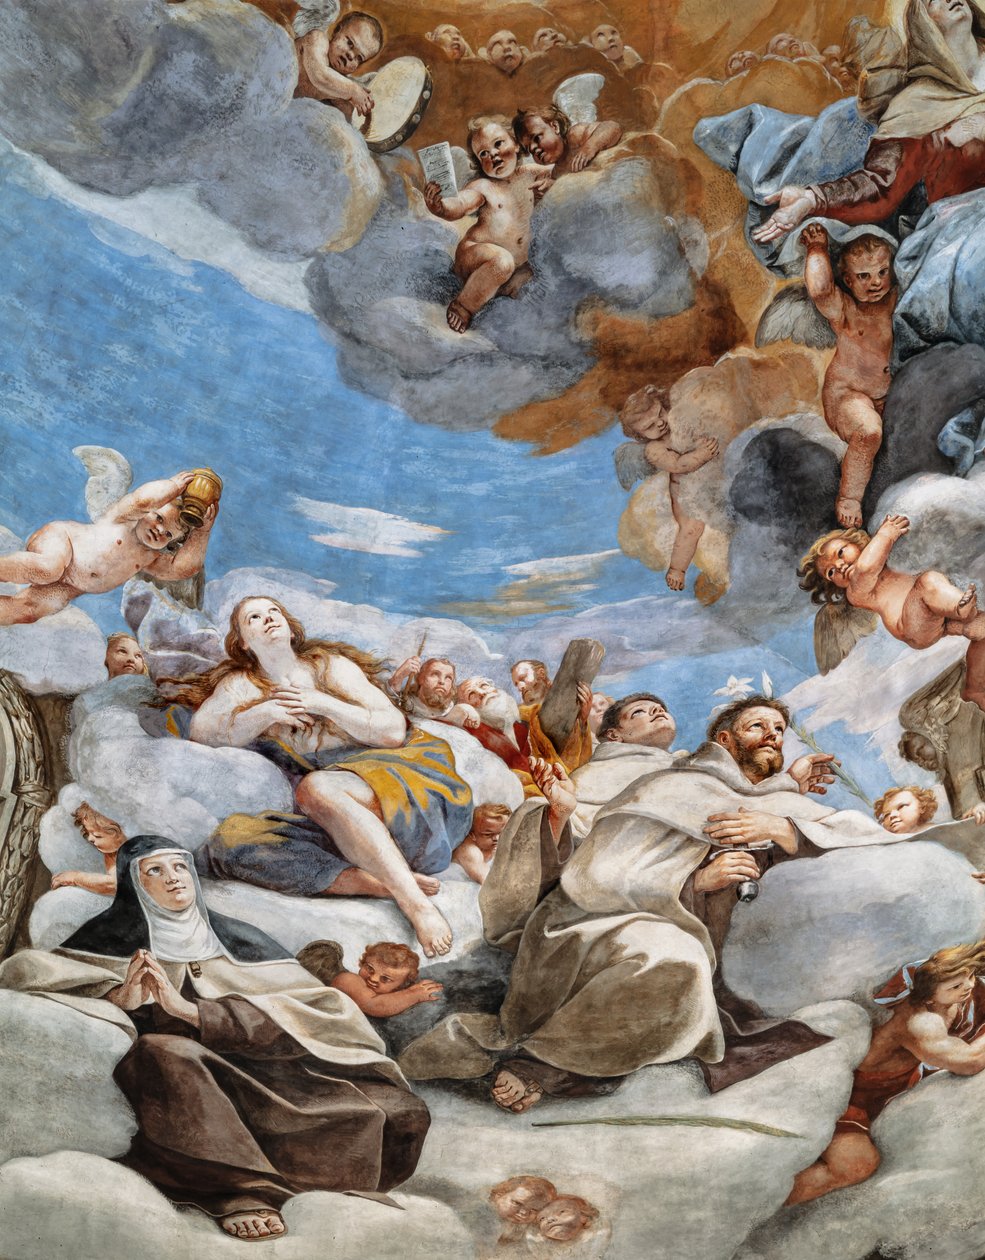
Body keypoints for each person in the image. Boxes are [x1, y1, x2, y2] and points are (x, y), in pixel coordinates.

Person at [399, 696, 904, 1112]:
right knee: (672, 960)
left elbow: (863, 838)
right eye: (757, 726)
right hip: (596, 920)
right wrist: (695, 881)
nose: (772, 735)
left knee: (683, 960)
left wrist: (782, 824)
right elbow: (599, 873)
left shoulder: (745, 795)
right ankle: (542, 1065)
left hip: (666, 919)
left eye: (778, 729)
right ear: (725, 740)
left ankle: (567, 1063)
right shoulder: (672, 783)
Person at [0, 835, 430, 1240]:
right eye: (155, 871)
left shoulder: (242, 940)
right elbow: (29, 975)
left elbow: (316, 1011)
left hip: (269, 1069)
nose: (173, 878)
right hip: (190, 1076)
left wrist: (193, 1011)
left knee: (401, 1110)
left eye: (180, 867)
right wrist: (119, 997)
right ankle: (238, 1190)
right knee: (163, 1052)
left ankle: (310, 1186)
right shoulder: (104, 941)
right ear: (133, 884)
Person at [162, 596, 472, 957]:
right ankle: (379, 882)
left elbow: (392, 731)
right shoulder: (241, 685)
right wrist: (264, 712)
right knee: (229, 843)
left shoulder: (329, 667)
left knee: (317, 788)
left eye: (274, 612)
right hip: (335, 807)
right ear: (243, 642)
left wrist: (322, 703)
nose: (268, 619)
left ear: (291, 627)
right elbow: (202, 734)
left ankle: (415, 903)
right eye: (254, 617)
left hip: (399, 772)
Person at [752, 0, 985, 247]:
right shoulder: (916, 105)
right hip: (966, 228)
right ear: (924, 26)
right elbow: (879, 185)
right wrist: (812, 198)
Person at [786, 939, 985, 1203]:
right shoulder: (919, 1022)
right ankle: (764, 1204)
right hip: (849, 1101)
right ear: (929, 997)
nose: (969, 986)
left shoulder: (950, 989)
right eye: (956, 986)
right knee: (857, 1165)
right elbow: (970, 1061)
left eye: (969, 977)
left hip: (881, 1098)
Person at [799, 515, 985, 701]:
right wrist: (886, 534)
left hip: (936, 616)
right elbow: (865, 568)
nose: (839, 566)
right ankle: (960, 608)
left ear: (858, 543)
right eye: (831, 572)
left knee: (982, 628)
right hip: (912, 625)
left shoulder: (887, 560)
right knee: (928, 582)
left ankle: (974, 688)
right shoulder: (856, 591)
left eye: (840, 553)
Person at [0, 469, 216, 625]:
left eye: (168, 534)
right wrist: (173, 486)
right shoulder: (124, 518)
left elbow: (183, 569)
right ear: (147, 512)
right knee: (48, 568)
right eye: (159, 518)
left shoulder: (150, 559)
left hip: (69, 586)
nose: (160, 530)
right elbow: (142, 500)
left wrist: (201, 533)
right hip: (62, 542)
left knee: (29, 610)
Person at [800, 224, 897, 528]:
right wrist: (817, 249)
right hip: (847, 396)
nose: (876, 282)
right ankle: (850, 497)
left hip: (889, 395)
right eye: (864, 276)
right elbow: (820, 291)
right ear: (848, 280)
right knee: (868, 432)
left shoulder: (896, 299)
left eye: (882, 272)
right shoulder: (845, 309)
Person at [424, 114, 552, 333]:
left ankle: (496, 290)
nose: (492, 154)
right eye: (483, 153)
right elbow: (461, 203)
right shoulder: (483, 186)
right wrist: (441, 207)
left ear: (517, 145)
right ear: (479, 163)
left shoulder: (531, 174)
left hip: (511, 269)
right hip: (475, 257)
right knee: (502, 262)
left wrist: (553, 182)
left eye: (498, 143)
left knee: (534, 275)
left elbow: (562, 171)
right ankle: (463, 305)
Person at [616, 383, 720, 591]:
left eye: (660, 413)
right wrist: (703, 454)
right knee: (691, 528)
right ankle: (677, 569)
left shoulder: (680, 422)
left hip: (711, 479)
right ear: (639, 434)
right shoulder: (654, 449)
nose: (660, 423)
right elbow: (679, 465)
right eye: (649, 426)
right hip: (686, 493)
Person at [296, 939, 443, 1016]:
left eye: (385, 979)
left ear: (400, 986)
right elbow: (373, 1005)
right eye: (370, 969)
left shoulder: (388, 994)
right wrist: (413, 995)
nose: (373, 979)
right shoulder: (349, 980)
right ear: (362, 963)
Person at [294, 9, 384, 119]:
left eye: (359, 58)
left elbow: (348, 114)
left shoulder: (338, 87)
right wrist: (354, 90)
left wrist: (364, 104)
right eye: (350, 43)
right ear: (337, 31)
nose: (351, 55)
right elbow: (320, 75)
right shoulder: (317, 39)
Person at [510, 659, 594, 772]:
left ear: (541, 674)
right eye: (516, 684)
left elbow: (584, 757)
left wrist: (583, 719)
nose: (520, 687)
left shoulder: (568, 702)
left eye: (523, 678)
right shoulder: (519, 716)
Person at [512, 105, 623, 177]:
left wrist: (590, 147)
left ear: (555, 127)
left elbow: (612, 127)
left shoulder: (575, 136)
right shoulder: (556, 173)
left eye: (537, 138)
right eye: (529, 149)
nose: (533, 148)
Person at [50, 802, 127, 894]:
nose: (90, 838)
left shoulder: (132, 851)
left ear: (118, 835)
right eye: (88, 832)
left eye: (97, 835)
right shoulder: (111, 853)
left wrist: (75, 877)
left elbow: (114, 884)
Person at [452, 802, 513, 883]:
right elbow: (489, 882)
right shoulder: (469, 851)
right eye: (488, 834)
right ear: (472, 835)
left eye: (502, 833)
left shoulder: (494, 846)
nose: (497, 838)